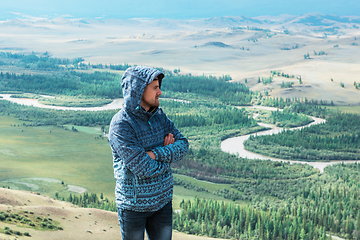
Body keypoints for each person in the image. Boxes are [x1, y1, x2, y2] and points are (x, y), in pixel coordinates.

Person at [108, 66, 189, 240]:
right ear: (138, 91)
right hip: (133, 207)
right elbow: (143, 167)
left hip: (163, 203)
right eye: (155, 87)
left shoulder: (159, 116)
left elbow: (183, 145)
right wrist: (167, 157)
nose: (160, 92)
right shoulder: (121, 125)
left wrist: (154, 154)